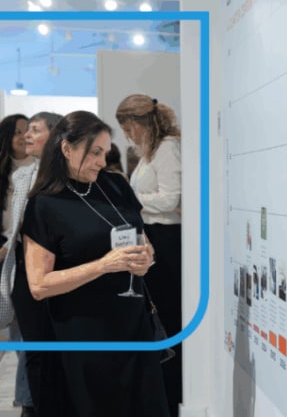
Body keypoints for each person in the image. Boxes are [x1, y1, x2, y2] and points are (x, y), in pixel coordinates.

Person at [21, 111, 168, 416]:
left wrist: (146, 259)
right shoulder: (44, 205)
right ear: (67, 149)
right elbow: (38, 286)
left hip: (133, 325)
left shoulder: (115, 186)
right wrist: (103, 265)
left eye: (105, 152)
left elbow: (142, 239)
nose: (102, 161)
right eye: (95, 153)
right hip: (83, 335)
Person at [116, 94, 183, 417]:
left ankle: (172, 393)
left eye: (127, 128)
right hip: (155, 236)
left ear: (137, 123)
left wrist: (131, 198)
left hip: (168, 240)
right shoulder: (150, 152)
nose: (127, 135)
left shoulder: (167, 148)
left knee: (167, 316)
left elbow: (171, 199)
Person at [6, 112, 63, 417]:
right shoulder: (20, 176)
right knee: (33, 348)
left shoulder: (69, 176)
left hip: (60, 270)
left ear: (54, 135)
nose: (27, 135)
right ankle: (35, 407)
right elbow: (16, 228)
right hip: (25, 270)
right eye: (25, 130)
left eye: (35, 130)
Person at [0, 114, 35, 416]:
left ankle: (26, 400)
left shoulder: (39, 170)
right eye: (19, 132)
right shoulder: (4, 174)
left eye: (30, 131)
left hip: (24, 258)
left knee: (23, 334)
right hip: (3, 257)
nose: (24, 137)